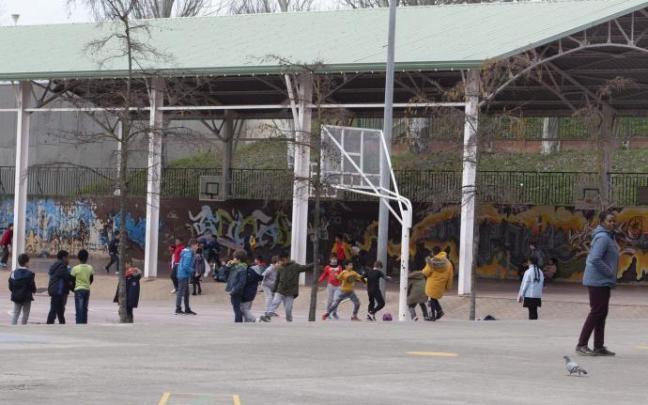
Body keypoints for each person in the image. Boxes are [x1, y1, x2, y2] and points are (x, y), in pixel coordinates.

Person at [576, 210, 619, 357]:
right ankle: (581, 344)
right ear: (602, 222)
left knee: (601, 313)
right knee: (596, 312)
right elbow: (595, 258)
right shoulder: (603, 238)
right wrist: (609, 272)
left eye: (614, 220)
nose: (612, 223)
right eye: (609, 221)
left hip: (602, 281)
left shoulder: (609, 237)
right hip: (597, 281)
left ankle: (599, 346)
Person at [259, 252, 311, 322]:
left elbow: (305, 267)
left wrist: (315, 264)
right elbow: (277, 280)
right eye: (280, 261)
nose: (281, 262)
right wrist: (274, 290)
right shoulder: (280, 268)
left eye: (282, 260)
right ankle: (267, 315)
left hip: (290, 292)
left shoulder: (295, 266)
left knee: (288, 309)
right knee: (275, 302)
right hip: (280, 290)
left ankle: (289, 321)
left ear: (287, 259)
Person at [422, 250, 453, 321]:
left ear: (433, 253)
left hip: (432, 283)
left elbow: (426, 272)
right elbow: (450, 276)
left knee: (432, 298)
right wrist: (448, 286)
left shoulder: (432, 261)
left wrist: (423, 271)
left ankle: (432, 316)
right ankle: (439, 311)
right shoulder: (448, 263)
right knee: (433, 297)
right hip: (441, 284)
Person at [8, 253, 36, 325]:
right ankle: (23, 328)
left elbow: (10, 286)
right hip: (27, 297)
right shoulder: (30, 274)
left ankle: (13, 328)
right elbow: (32, 286)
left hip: (16, 296)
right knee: (25, 314)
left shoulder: (13, 273)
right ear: (26, 262)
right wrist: (34, 290)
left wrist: (15, 291)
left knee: (16, 313)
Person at [47, 250, 73, 324]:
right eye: (68, 258)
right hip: (58, 291)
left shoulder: (55, 265)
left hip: (54, 290)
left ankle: (60, 324)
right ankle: (49, 325)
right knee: (55, 311)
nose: (69, 260)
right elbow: (67, 277)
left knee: (59, 311)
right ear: (64, 258)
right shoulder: (62, 266)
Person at [71, 249, 94, 324]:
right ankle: (84, 323)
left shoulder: (75, 268)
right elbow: (91, 279)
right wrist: (86, 284)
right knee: (84, 308)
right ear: (87, 258)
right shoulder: (90, 268)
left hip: (78, 290)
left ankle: (79, 324)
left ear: (78, 258)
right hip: (87, 289)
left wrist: (74, 287)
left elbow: (72, 280)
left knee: (79, 309)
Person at [225, 249, 249, 323]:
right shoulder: (236, 266)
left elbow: (242, 282)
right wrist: (228, 266)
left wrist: (234, 290)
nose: (233, 259)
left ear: (238, 259)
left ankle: (238, 321)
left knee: (236, 307)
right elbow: (225, 275)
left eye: (234, 258)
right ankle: (238, 320)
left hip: (237, 291)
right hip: (234, 289)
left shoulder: (242, 268)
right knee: (236, 306)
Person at [175, 239, 197, 315]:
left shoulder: (187, 252)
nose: (197, 247)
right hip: (183, 275)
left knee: (186, 293)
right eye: (196, 245)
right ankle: (178, 309)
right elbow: (185, 266)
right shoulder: (188, 253)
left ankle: (187, 309)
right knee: (181, 292)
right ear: (193, 245)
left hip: (183, 274)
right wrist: (193, 271)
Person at [318, 255, 342, 320]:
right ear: (330, 260)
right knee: (330, 300)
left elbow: (342, 275)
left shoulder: (339, 267)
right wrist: (319, 280)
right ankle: (328, 313)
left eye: (335, 259)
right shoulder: (327, 267)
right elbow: (324, 275)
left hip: (338, 286)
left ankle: (334, 313)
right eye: (333, 259)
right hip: (330, 285)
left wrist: (339, 276)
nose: (334, 260)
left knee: (336, 300)